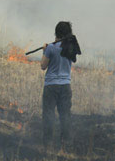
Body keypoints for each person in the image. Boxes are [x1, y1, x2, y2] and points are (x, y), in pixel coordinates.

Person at [40, 21, 81, 151]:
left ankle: (48, 145)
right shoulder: (70, 47)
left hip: (51, 86)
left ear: (56, 32)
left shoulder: (51, 48)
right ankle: (66, 144)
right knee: (65, 115)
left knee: (48, 114)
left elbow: (43, 66)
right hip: (65, 86)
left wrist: (44, 51)